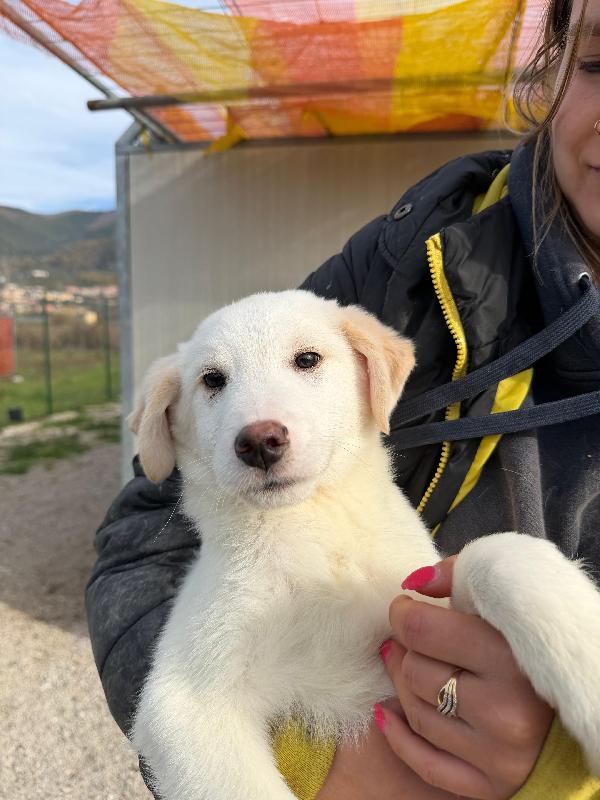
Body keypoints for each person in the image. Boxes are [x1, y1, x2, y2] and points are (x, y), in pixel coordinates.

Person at [86, 0, 600, 797]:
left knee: (509, 570)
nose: (261, 420)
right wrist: (334, 769)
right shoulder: (411, 257)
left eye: (303, 362)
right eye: (599, 62)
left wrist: (562, 774)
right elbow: (179, 699)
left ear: (375, 373)